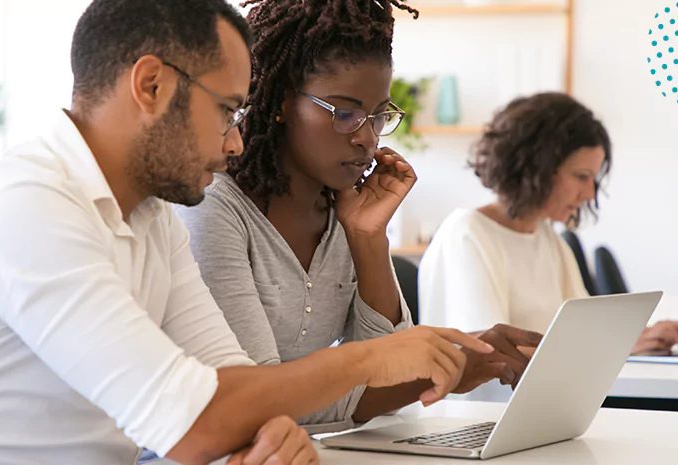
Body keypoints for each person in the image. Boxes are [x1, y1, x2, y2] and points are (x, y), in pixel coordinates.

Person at [0, 2, 497, 464]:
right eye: (227, 110)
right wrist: (371, 357)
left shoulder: (150, 216)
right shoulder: (28, 209)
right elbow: (196, 422)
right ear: (151, 85)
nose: (235, 141)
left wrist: (264, 434)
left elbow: (235, 387)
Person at [177, 0, 541, 435]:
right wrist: (449, 368)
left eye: (378, 116)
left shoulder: (344, 211)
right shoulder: (214, 208)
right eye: (345, 114)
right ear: (281, 103)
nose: (366, 139)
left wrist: (367, 236)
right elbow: (258, 403)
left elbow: (389, 370)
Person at [418, 92, 678, 357]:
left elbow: (590, 332)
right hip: (487, 404)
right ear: (537, 169)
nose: (590, 194)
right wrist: (618, 346)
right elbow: (490, 355)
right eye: (581, 176)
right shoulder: (467, 233)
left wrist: (645, 335)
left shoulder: (546, 237)